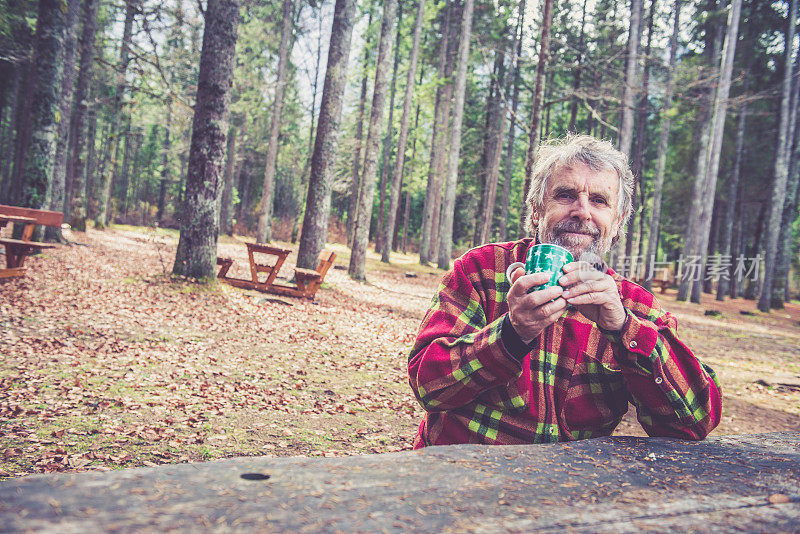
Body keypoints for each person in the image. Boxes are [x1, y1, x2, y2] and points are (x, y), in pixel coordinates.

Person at [408, 135, 722, 447]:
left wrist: (623, 328)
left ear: (617, 221)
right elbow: (428, 387)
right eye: (565, 195)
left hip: (570, 488)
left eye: (599, 201)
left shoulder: (633, 304)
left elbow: (696, 422)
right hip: (462, 478)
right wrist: (511, 334)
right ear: (535, 209)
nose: (582, 211)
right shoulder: (481, 269)